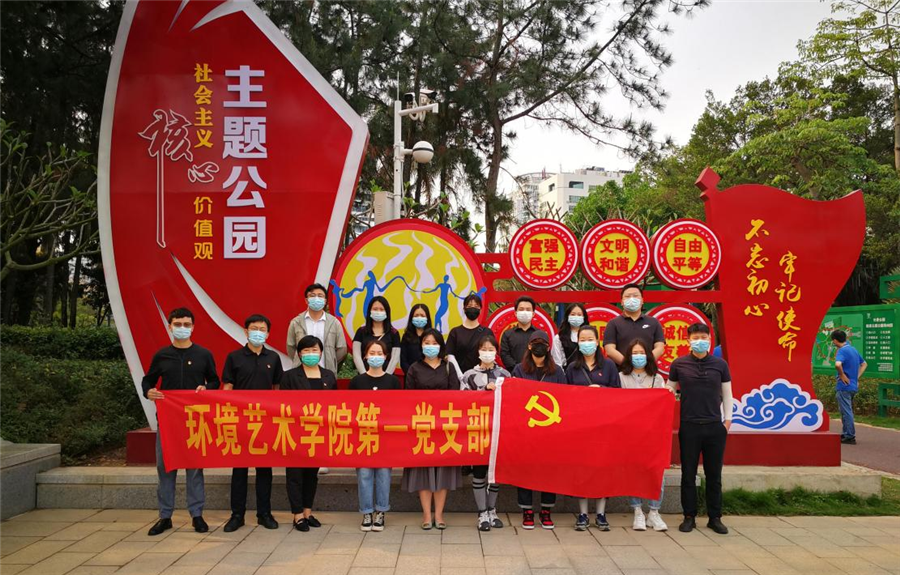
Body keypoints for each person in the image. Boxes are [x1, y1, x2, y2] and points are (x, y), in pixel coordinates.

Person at [141, 308, 220, 536]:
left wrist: (207, 388)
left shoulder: (204, 354)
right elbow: (148, 380)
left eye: (186, 324)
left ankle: (197, 514)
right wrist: (149, 392)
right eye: (177, 324)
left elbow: (215, 380)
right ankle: (165, 516)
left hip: (195, 420)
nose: (182, 328)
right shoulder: (162, 355)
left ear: (193, 327)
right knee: (165, 467)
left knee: (194, 468)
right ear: (170, 326)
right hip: (169, 421)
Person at [667, 323, 732, 535]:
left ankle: (715, 517)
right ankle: (689, 516)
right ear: (688, 340)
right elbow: (668, 392)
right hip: (689, 426)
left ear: (710, 340)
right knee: (688, 474)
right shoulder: (679, 364)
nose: (700, 341)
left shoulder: (720, 365)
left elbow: (727, 393)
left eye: (704, 337)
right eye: (695, 337)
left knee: (714, 475)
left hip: (714, 426)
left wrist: (728, 421)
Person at [221, 314, 283, 533]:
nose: (258, 332)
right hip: (240, 421)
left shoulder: (273, 358)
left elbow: (277, 389)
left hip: (264, 422)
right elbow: (227, 387)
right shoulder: (234, 357)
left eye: (262, 329)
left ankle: (264, 513)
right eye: (254, 328)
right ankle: (237, 515)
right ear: (246, 331)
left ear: (268, 333)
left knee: (264, 469)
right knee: (239, 470)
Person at [402, 329, 461, 530]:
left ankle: (439, 514)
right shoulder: (414, 368)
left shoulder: (448, 367)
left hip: (444, 426)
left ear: (440, 345)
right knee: (424, 471)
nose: (430, 346)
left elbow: (455, 396)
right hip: (422, 425)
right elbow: (408, 398)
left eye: (434, 343)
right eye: (426, 342)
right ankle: (427, 515)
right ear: (421, 346)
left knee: (442, 471)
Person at [564, 325, 620, 531]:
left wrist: (601, 389)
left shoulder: (609, 366)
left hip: (604, 425)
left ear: (597, 342)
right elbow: (565, 396)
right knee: (582, 469)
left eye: (590, 339)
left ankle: (601, 514)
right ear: (578, 342)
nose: (587, 343)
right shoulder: (572, 368)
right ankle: (583, 514)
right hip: (581, 426)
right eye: (583, 340)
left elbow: (618, 394)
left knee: (603, 468)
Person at [280, 335, 338, 531]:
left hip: (318, 433)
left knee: (312, 475)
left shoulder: (328, 376)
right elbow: (282, 405)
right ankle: (297, 515)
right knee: (295, 474)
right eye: (306, 350)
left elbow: (335, 405)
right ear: (299, 354)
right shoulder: (289, 376)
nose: (310, 354)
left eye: (314, 350)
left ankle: (307, 512)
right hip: (295, 432)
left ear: (321, 353)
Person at [510, 330, 566, 529]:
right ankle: (527, 511)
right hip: (526, 430)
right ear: (529, 346)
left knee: (548, 470)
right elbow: (514, 397)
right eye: (536, 342)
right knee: (525, 470)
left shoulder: (557, 372)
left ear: (548, 347)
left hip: (550, 432)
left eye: (543, 343)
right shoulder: (519, 370)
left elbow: (565, 399)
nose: (539, 346)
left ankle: (546, 510)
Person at [350, 340, 401, 532]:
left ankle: (381, 511)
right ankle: (366, 512)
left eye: (380, 353)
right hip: (362, 435)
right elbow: (349, 409)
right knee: (364, 474)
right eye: (372, 353)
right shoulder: (357, 381)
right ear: (365, 356)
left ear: (386, 357)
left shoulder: (393, 381)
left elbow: (398, 409)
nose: (376, 357)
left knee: (383, 474)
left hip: (385, 437)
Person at [461, 335, 509, 531]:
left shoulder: (505, 374)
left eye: (491, 349)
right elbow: (462, 403)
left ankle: (492, 509)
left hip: (499, 431)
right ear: (478, 351)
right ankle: (482, 513)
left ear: (496, 351)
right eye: (484, 349)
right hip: (478, 430)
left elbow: (511, 402)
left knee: (495, 473)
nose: (487, 352)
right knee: (480, 472)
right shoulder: (469, 375)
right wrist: (483, 391)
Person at [619, 340, 668, 532]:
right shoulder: (621, 377)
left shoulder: (657, 379)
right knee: (634, 472)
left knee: (657, 472)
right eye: (634, 353)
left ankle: (654, 512)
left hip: (653, 433)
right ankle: (638, 511)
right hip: (630, 433)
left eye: (641, 352)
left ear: (648, 355)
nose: (638, 356)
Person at [287, 283, 348, 372]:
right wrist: (300, 359)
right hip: (301, 372)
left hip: (326, 371)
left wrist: (331, 360)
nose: (316, 298)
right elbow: (290, 346)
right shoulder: (296, 322)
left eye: (320, 296)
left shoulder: (334, 323)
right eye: (312, 295)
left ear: (325, 301)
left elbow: (342, 349)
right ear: (306, 300)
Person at [603, 284, 665, 365]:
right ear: (621, 302)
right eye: (627, 296)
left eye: (635, 296)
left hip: (648, 370)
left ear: (642, 300)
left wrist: (645, 364)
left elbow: (660, 348)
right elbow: (610, 350)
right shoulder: (613, 323)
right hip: (621, 371)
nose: (632, 299)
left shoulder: (654, 322)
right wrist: (628, 365)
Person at [832, 330, 867, 445]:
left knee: (846, 411)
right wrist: (855, 377)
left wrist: (842, 375)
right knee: (845, 410)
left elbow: (838, 364)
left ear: (835, 340)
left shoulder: (842, 350)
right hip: (852, 385)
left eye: (833, 341)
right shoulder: (853, 349)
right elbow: (864, 364)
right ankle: (846, 432)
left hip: (844, 386)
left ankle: (850, 436)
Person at [352, 296, 401, 375]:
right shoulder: (361, 331)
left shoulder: (394, 333)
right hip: (364, 376)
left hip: (387, 376)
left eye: (381, 309)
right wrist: (364, 375)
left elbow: (395, 358)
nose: (378, 312)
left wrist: (387, 376)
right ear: (370, 311)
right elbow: (356, 355)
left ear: (387, 312)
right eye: (375, 309)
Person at [446, 293, 490, 377]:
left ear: (480, 310)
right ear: (464, 309)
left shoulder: (487, 332)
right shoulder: (455, 332)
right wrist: (460, 376)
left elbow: (491, 354)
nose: (472, 308)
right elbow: (450, 356)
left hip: (482, 377)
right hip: (459, 377)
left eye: (476, 306)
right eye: (469, 306)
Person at [500, 296, 538, 369]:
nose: (524, 312)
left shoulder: (539, 334)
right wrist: (518, 369)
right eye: (521, 309)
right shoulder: (507, 334)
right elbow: (505, 355)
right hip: (514, 373)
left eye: (528, 309)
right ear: (515, 313)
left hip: (535, 373)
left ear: (533, 314)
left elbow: (543, 354)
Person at [552, 303, 589, 368]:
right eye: (573, 314)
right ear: (567, 317)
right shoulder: (559, 338)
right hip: (567, 372)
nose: (576, 317)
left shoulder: (590, 336)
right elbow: (557, 363)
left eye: (579, 315)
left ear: (584, 317)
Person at [400, 303, 433, 373]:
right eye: (416, 315)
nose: (419, 318)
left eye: (422, 315)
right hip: (411, 375)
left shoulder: (433, 336)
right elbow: (403, 361)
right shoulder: (406, 336)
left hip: (430, 375)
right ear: (411, 318)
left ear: (427, 318)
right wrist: (412, 374)